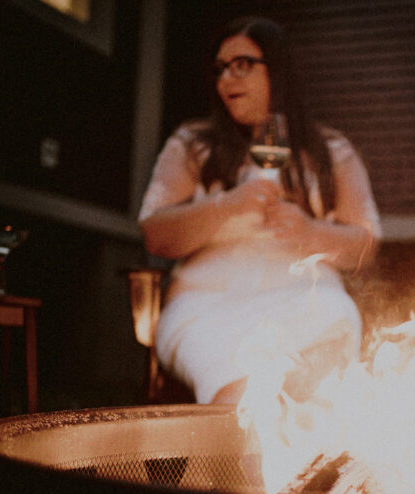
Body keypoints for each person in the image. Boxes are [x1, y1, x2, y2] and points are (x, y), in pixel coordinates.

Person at [139, 16, 381, 405]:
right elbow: (155, 234)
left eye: (242, 65)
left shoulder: (332, 152)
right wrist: (225, 205)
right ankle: (224, 460)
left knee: (326, 356)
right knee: (241, 396)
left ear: (278, 69)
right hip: (207, 305)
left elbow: (366, 245)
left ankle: (308, 463)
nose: (226, 80)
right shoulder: (192, 144)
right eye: (220, 69)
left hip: (307, 299)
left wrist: (310, 232)